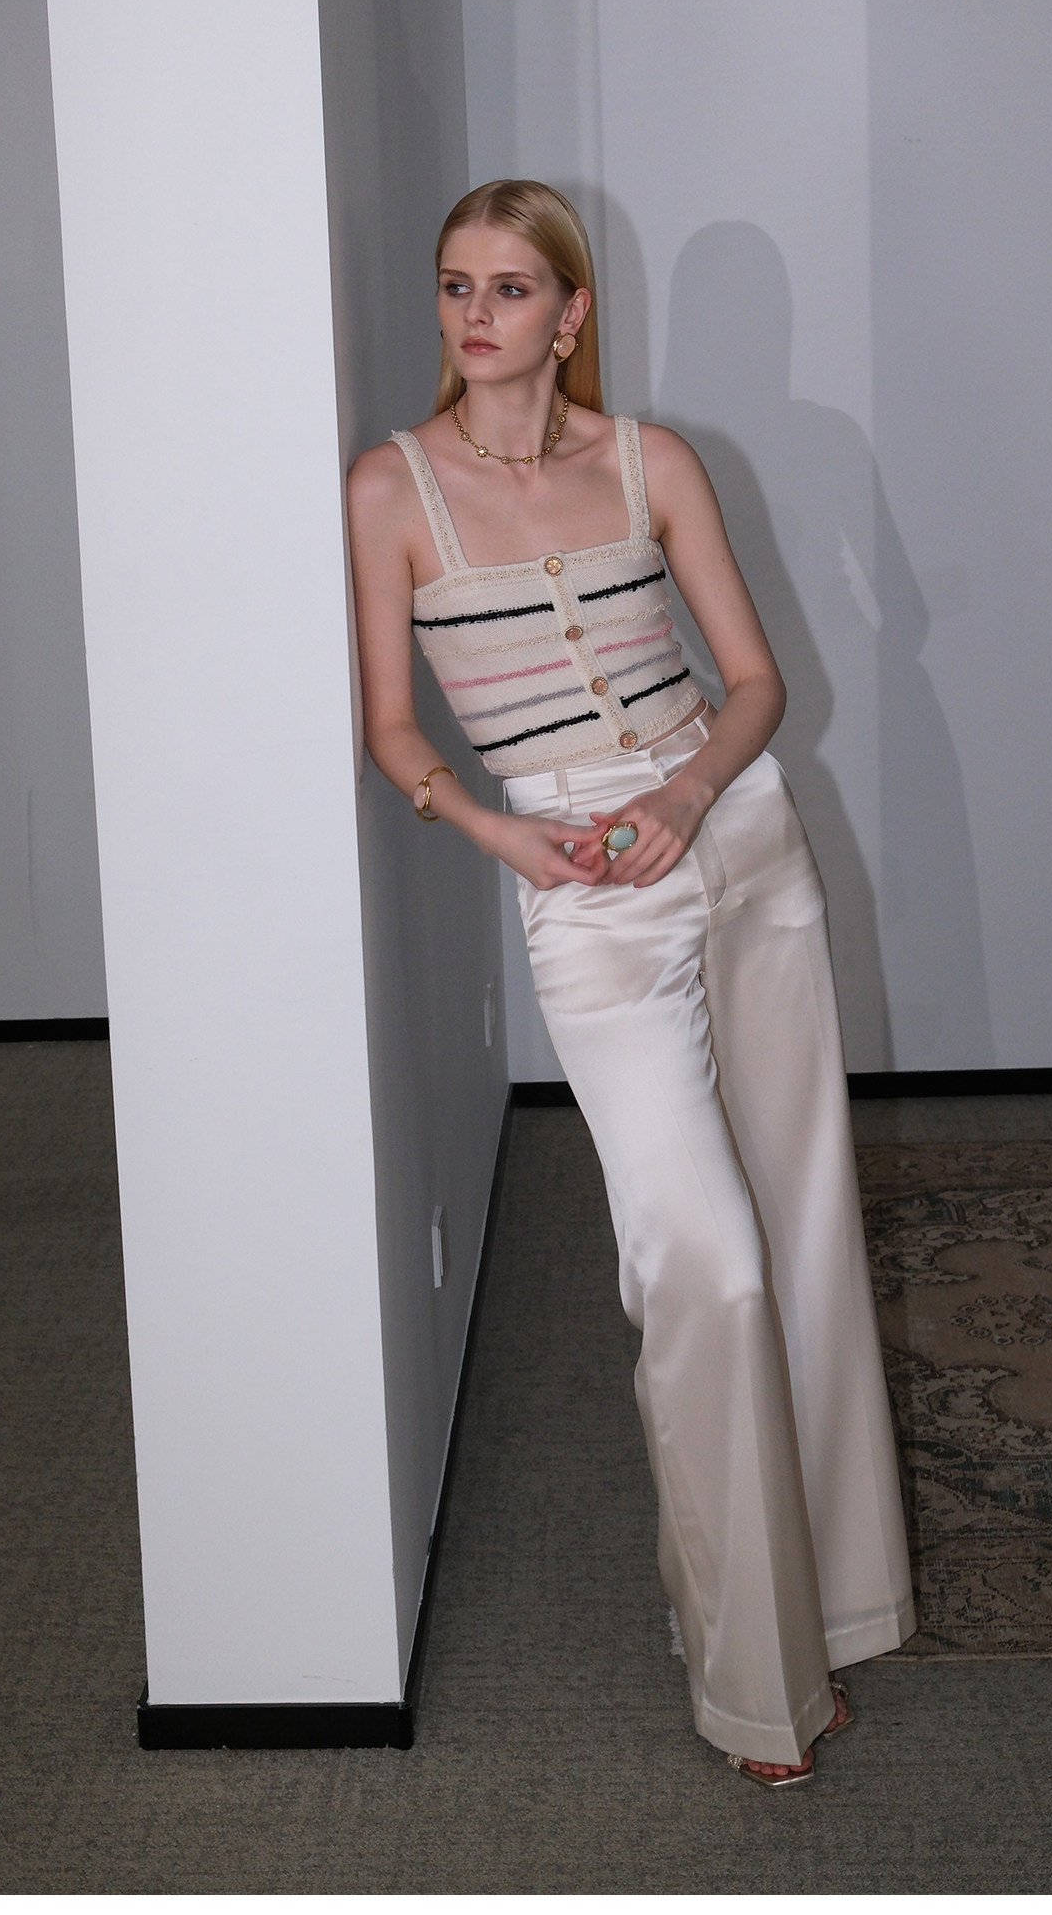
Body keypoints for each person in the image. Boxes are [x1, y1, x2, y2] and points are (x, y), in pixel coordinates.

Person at [347, 179, 914, 1787]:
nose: (475, 314)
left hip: (741, 840)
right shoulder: (391, 489)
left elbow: (757, 682)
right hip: (585, 898)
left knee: (803, 1226)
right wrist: (496, 833)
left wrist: (687, 792)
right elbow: (392, 725)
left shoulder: (653, 460)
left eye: (510, 288)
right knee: (705, 1264)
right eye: (456, 284)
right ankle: (751, 1678)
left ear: (570, 314)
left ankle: (834, 1604)